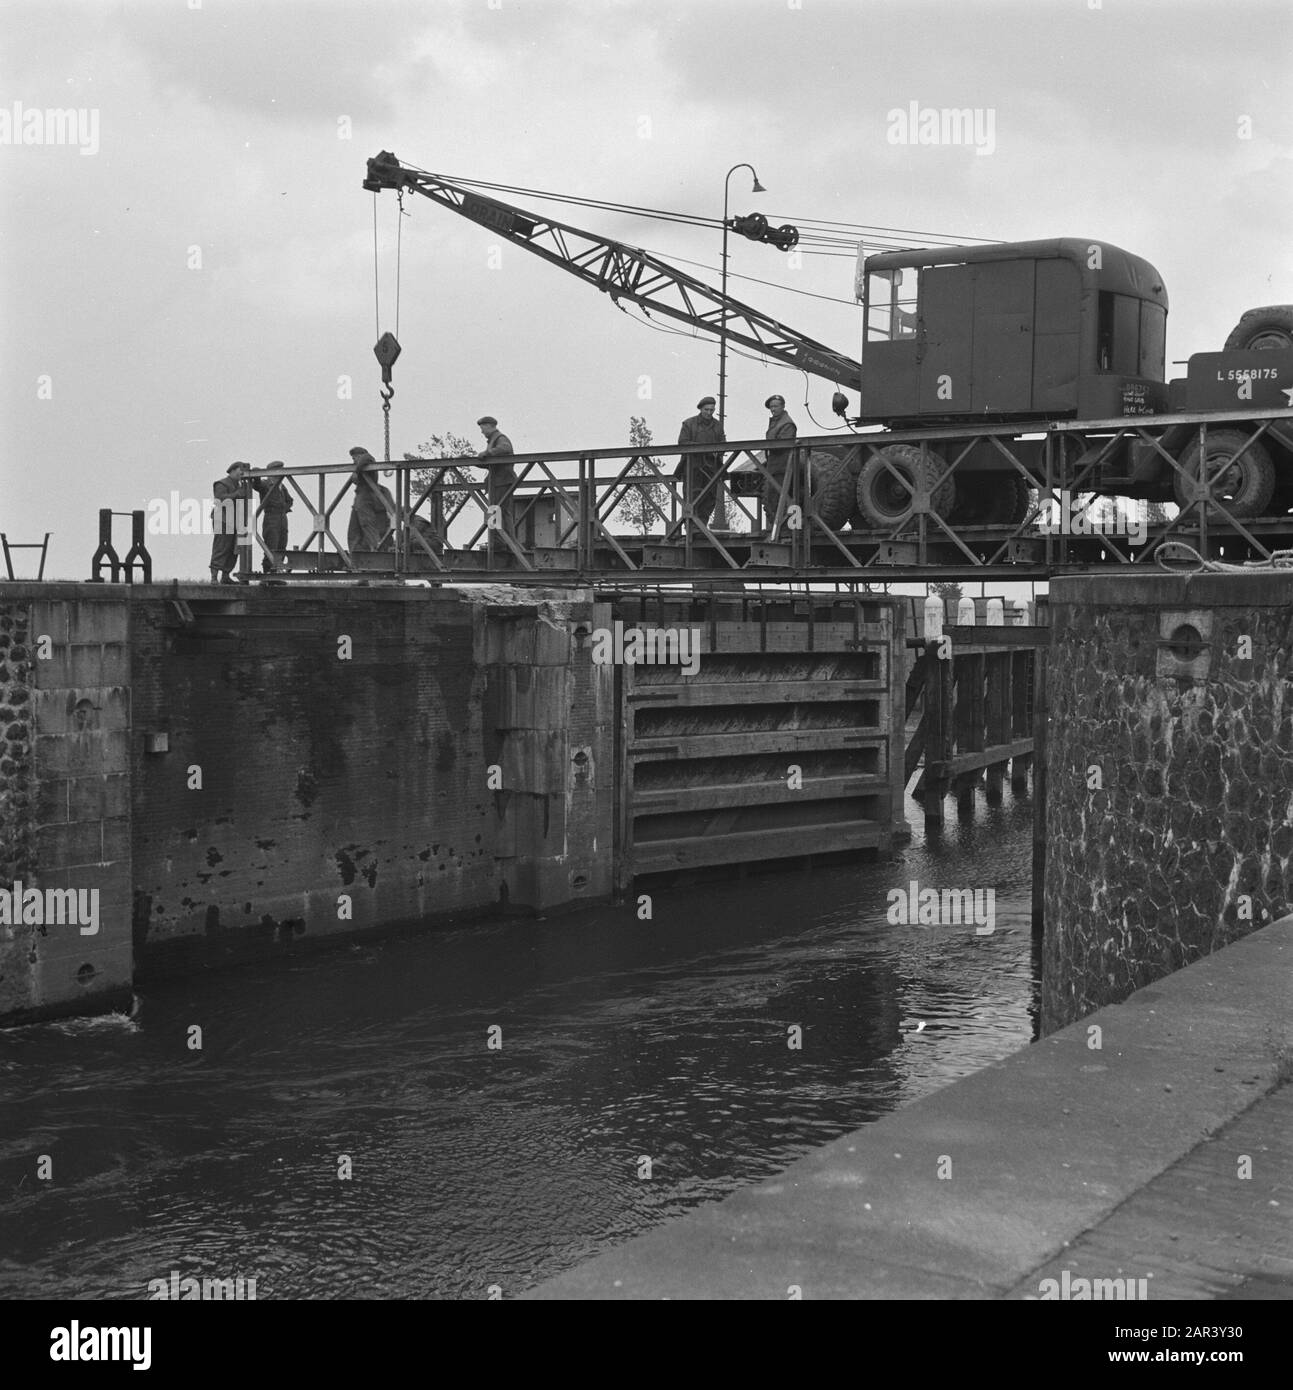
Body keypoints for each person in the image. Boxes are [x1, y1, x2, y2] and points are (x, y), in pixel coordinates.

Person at [676, 395, 726, 527]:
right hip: (693, 466)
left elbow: (723, 444)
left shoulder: (717, 426)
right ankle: (691, 526)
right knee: (692, 496)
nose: (709, 413)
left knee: (710, 497)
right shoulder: (688, 424)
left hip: (711, 467)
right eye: (706, 410)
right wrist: (702, 449)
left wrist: (718, 451)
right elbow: (682, 442)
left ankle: (702, 526)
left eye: (711, 410)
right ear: (700, 409)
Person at [347, 447, 397, 552]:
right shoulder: (363, 465)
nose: (354, 461)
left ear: (360, 455)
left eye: (354, 458)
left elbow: (367, 458)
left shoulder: (366, 459)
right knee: (353, 529)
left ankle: (376, 548)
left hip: (365, 498)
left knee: (367, 523)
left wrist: (356, 472)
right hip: (360, 498)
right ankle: (356, 551)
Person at [209, 461, 251, 584]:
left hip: (236, 521)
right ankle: (214, 577)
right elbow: (220, 500)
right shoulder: (222, 483)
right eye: (240, 471)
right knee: (221, 547)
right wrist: (237, 494)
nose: (241, 474)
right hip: (222, 520)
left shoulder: (240, 485)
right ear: (232, 470)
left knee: (234, 549)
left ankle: (225, 576)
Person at [476, 415, 516, 539]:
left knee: (497, 511)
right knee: (496, 511)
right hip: (498, 482)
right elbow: (491, 464)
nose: (481, 431)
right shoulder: (493, 440)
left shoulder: (500, 438)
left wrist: (487, 453)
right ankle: (500, 541)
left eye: (483, 428)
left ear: (489, 426)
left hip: (502, 481)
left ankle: (501, 542)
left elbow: (505, 448)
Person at [764, 394, 800, 520]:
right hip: (775, 466)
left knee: (779, 498)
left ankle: (783, 527)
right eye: (771, 407)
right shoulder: (777, 422)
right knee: (772, 498)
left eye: (776, 406)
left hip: (782, 467)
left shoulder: (787, 424)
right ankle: (778, 526)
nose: (773, 409)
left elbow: (781, 446)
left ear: (783, 407)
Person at [253, 460, 293, 572]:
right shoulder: (267, 484)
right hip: (271, 518)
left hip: (282, 518)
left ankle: (276, 573)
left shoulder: (282, 486)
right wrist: (256, 475)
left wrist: (283, 508)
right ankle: (268, 573)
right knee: (271, 545)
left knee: (282, 545)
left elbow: (290, 500)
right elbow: (257, 485)